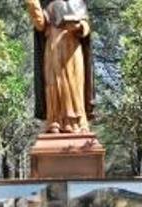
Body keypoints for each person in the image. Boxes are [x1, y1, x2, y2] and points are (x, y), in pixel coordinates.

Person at [26, 0, 94, 133]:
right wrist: (33, 5)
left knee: (73, 85)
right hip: (53, 50)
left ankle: (75, 122)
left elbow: (86, 27)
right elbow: (40, 25)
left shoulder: (78, 3)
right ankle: (54, 121)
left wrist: (79, 26)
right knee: (54, 84)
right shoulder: (51, 6)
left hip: (72, 50)